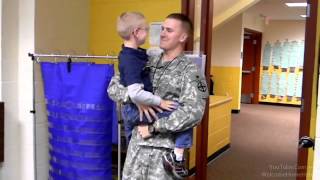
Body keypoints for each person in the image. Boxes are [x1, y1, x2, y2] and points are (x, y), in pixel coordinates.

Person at [108, 13, 208, 180]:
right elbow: (113, 88)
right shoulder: (144, 60)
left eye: (169, 30)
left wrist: (154, 127)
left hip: (164, 157)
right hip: (136, 151)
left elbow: (194, 112)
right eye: (162, 29)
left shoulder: (192, 72)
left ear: (183, 36)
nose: (162, 33)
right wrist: (136, 98)